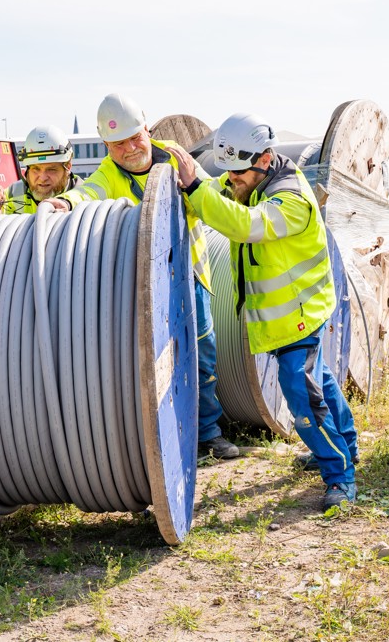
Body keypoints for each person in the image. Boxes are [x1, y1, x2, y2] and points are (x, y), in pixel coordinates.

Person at [166, 113, 359, 511]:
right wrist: (188, 178)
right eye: (228, 170)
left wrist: (197, 189)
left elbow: (246, 226)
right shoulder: (252, 179)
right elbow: (219, 187)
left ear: (265, 160)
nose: (230, 178)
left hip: (299, 315)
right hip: (289, 314)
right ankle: (346, 447)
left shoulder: (291, 200)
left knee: (300, 392)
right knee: (320, 381)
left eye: (237, 172)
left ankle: (340, 474)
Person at [52, 93, 239, 460]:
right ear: (106, 146)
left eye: (134, 138)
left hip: (189, 273)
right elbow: (89, 192)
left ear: (147, 130)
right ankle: (165, 439)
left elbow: (213, 194)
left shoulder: (174, 157)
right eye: (118, 144)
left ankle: (208, 433)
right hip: (145, 283)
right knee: (154, 360)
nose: (129, 149)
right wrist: (67, 202)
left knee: (202, 353)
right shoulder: (109, 173)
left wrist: (200, 186)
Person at [4, 124, 80, 214]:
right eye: (36, 169)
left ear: (68, 167)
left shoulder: (83, 195)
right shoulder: (13, 193)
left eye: (51, 169)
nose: (43, 178)